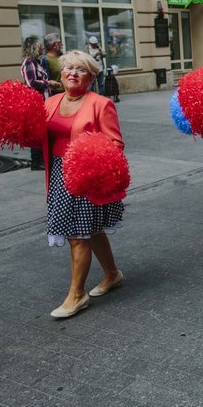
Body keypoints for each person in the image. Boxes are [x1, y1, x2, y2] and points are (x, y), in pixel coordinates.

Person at [43, 50, 124, 319]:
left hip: (87, 177)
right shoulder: (51, 102)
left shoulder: (101, 104)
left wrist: (91, 160)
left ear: (90, 77)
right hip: (58, 174)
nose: (73, 73)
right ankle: (112, 274)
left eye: (80, 69)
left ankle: (77, 295)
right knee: (91, 229)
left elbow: (115, 144)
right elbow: (41, 139)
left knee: (78, 235)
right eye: (68, 68)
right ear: (61, 73)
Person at [20, 36, 60, 171]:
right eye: (40, 45)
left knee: (44, 131)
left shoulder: (37, 62)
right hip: (36, 101)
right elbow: (31, 82)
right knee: (38, 132)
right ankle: (36, 162)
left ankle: (43, 159)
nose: (42, 47)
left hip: (44, 100)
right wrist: (49, 83)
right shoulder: (28, 62)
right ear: (34, 47)